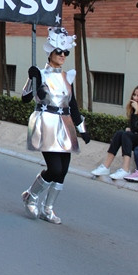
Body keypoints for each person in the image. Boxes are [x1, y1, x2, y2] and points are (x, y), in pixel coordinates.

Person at [20, 26, 91, 225]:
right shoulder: (40, 74)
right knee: (55, 168)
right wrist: (33, 78)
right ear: (50, 52)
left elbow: (73, 104)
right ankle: (31, 196)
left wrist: (82, 128)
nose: (62, 55)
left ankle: (48, 208)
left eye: (66, 52)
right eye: (59, 51)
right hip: (47, 123)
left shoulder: (67, 77)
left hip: (65, 125)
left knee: (64, 170)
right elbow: (26, 98)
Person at [91, 84, 138, 180]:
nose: (135, 98)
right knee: (120, 133)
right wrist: (134, 115)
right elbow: (133, 128)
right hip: (135, 138)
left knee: (126, 135)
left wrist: (136, 112)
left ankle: (125, 169)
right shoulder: (134, 109)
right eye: (134, 95)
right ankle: (106, 166)